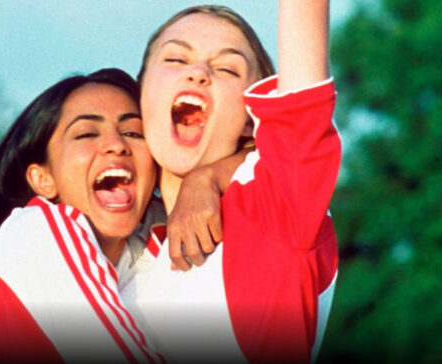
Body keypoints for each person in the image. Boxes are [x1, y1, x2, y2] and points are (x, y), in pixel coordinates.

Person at [122, 1, 341, 362]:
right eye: (176, 59)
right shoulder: (117, 255)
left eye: (227, 68)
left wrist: (207, 175)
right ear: (142, 92)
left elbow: (304, 101)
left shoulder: (274, 208)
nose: (198, 72)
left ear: (250, 118)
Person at [0, 68, 165, 363]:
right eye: (87, 133)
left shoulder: (138, 254)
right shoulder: (35, 234)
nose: (117, 144)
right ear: (43, 180)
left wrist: (206, 177)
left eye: (132, 132)